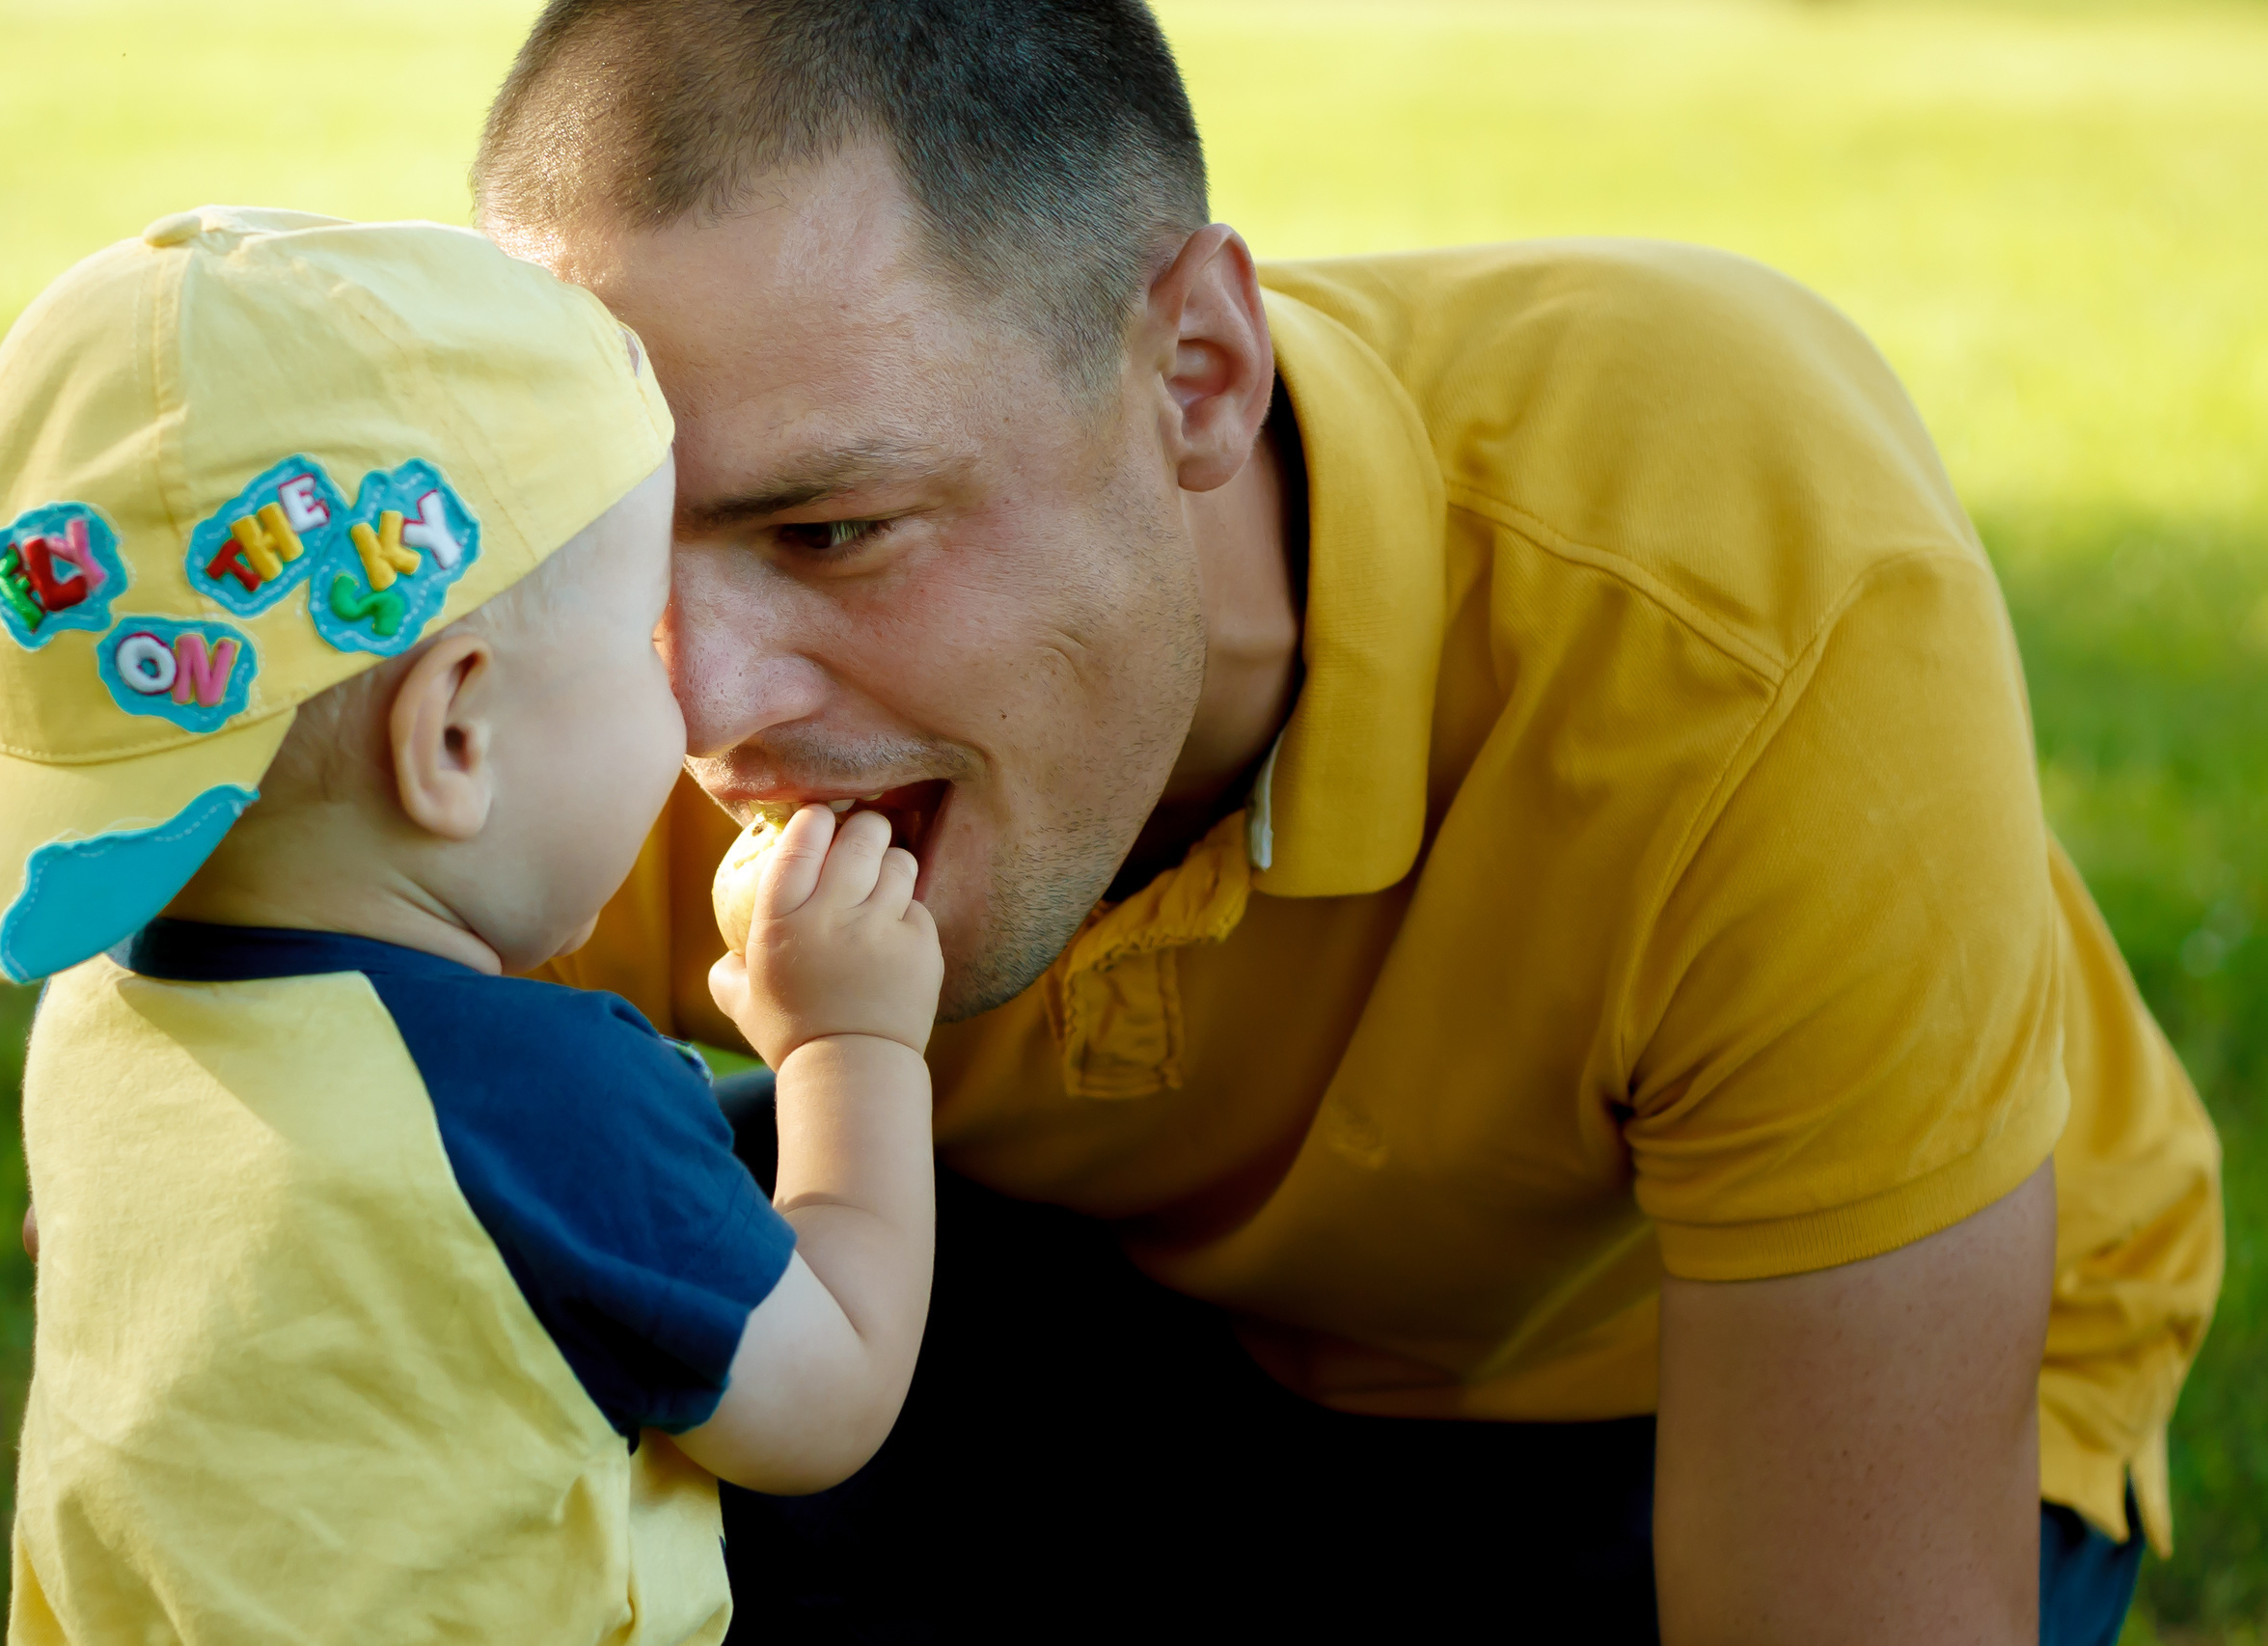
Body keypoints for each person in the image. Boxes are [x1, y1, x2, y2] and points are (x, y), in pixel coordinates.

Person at [473, 2, 2227, 1642]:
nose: (697, 710)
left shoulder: (1737, 604)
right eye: (609, 546)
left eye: (831, 533)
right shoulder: (548, 687)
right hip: (1096, 1313)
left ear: (1197, 377)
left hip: (1665, 1371)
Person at [0, 206, 942, 1643]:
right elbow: (831, 1396)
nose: (691, 697)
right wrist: (850, 1043)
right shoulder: (540, 1107)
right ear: (453, 734)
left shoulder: (101, 1019)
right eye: (643, 645)